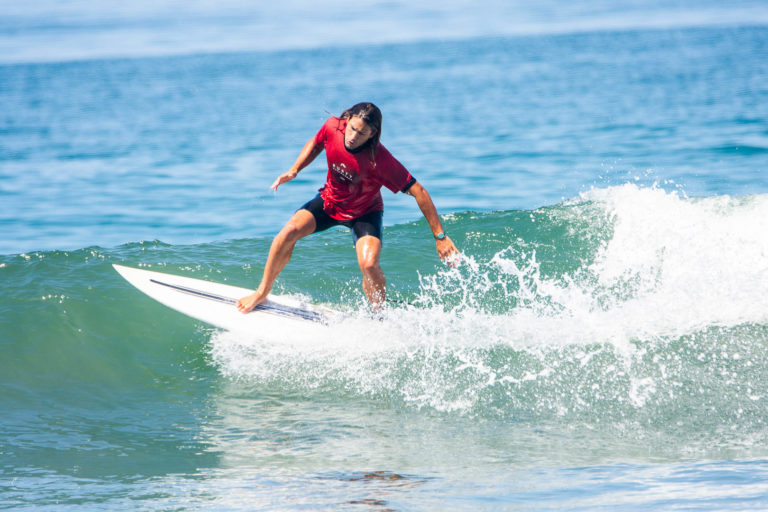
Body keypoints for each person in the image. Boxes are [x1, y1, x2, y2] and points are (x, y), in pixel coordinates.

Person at [236, 102, 458, 313]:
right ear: (347, 119)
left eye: (361, 134)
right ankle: (262, 292)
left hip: (365, 212)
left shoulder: (380, 160)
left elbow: (419, 190)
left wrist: (440, 236)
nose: (353, 137)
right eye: (352, 129)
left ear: (372, 134)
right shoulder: (333, 126)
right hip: (330, 202)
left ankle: (379, 314)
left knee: (369, 264)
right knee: (287, 233)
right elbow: (316, 142)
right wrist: (295, 169)